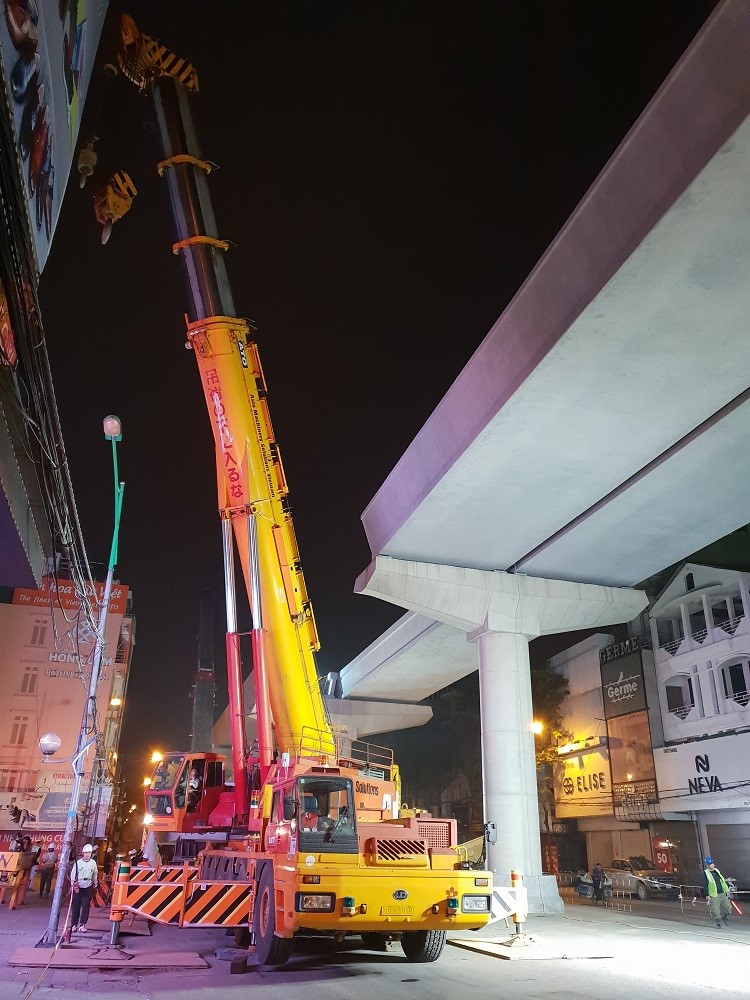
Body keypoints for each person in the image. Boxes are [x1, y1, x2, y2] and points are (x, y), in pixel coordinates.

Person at [70, 844, 98, 933]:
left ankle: (82, 925)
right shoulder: (78, 863)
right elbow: (73, 874)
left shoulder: (93, 863)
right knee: (76, 906)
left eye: (89, 853)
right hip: (78, 886)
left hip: (88, 886)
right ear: (83, 853)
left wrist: (95, 884)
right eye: (86, 853)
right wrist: (73, 884)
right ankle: (74, 925)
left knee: (86, 906)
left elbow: (95, 874)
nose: (87, 854)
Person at [703, 856, 731, 928]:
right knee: (716, 910)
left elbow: (722, 880)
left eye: (713, 863)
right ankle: (718, 923)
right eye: (710, 864)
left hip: (722, 893)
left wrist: (727, 889)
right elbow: (705, 884)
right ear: (708, 865)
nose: (712, 865)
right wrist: (707, 895)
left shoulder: (717, 871)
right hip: (714, 895)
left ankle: (725, 916)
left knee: (728, 907)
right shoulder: (706, 873)